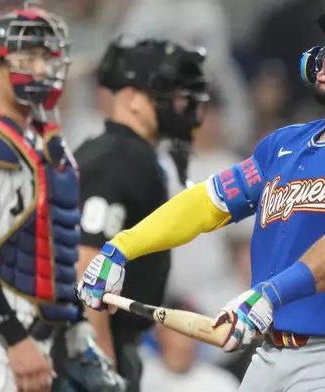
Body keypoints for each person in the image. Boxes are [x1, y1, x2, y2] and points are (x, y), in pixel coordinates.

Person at [78, 4, 325, 392]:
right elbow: (206, 203)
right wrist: (121, 247)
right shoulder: (284, 143)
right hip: (270, 353)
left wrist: (269, 294)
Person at [0, 4, 125, 392]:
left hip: (39, 334)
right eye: (27, 56)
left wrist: (76, 330)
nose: (40, 68)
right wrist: (15, 339)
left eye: (45, 57)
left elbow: (56, 248)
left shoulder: (46, 146)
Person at [73, 36, 209, 392]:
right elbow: (86, 263)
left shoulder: (124, 153)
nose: (182, 104)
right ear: (132, 98)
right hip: (91, 343)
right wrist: (101, 364)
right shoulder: (121, 158)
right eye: (168, 94)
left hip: (110, 340)